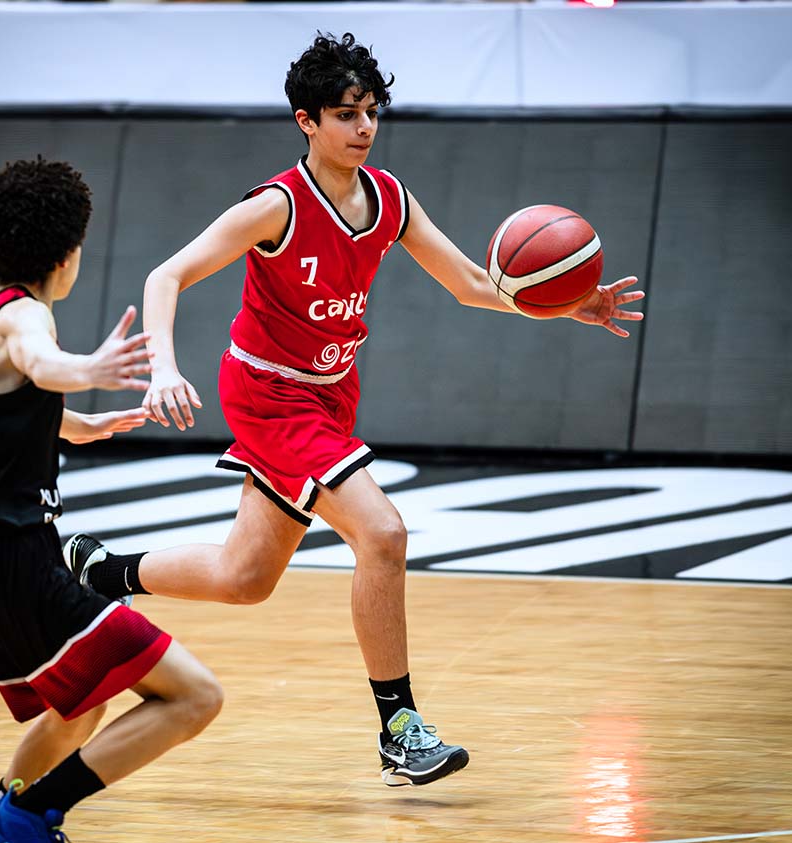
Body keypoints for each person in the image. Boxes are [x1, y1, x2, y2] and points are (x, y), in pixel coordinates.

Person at [64, 32, 644, 788]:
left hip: (331, 392)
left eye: (371, 111)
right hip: (269, 394)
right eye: (346, 114)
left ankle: (102, 570)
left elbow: (472, 283)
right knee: (384, 532)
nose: (364, 126)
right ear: (306, 121)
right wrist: (164, 368)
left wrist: (562, 304)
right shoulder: (275, 206)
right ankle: (399, 728)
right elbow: (165, 275)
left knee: (246, 577)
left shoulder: (390, 199)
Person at [0, 157, 223, 843]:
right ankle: (24, 817)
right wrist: (87, 370)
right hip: (18, 561)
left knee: (81, 703)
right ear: (67, 254)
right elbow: (40, 361)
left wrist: (75, 422)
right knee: (194, 695)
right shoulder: (26, 315)